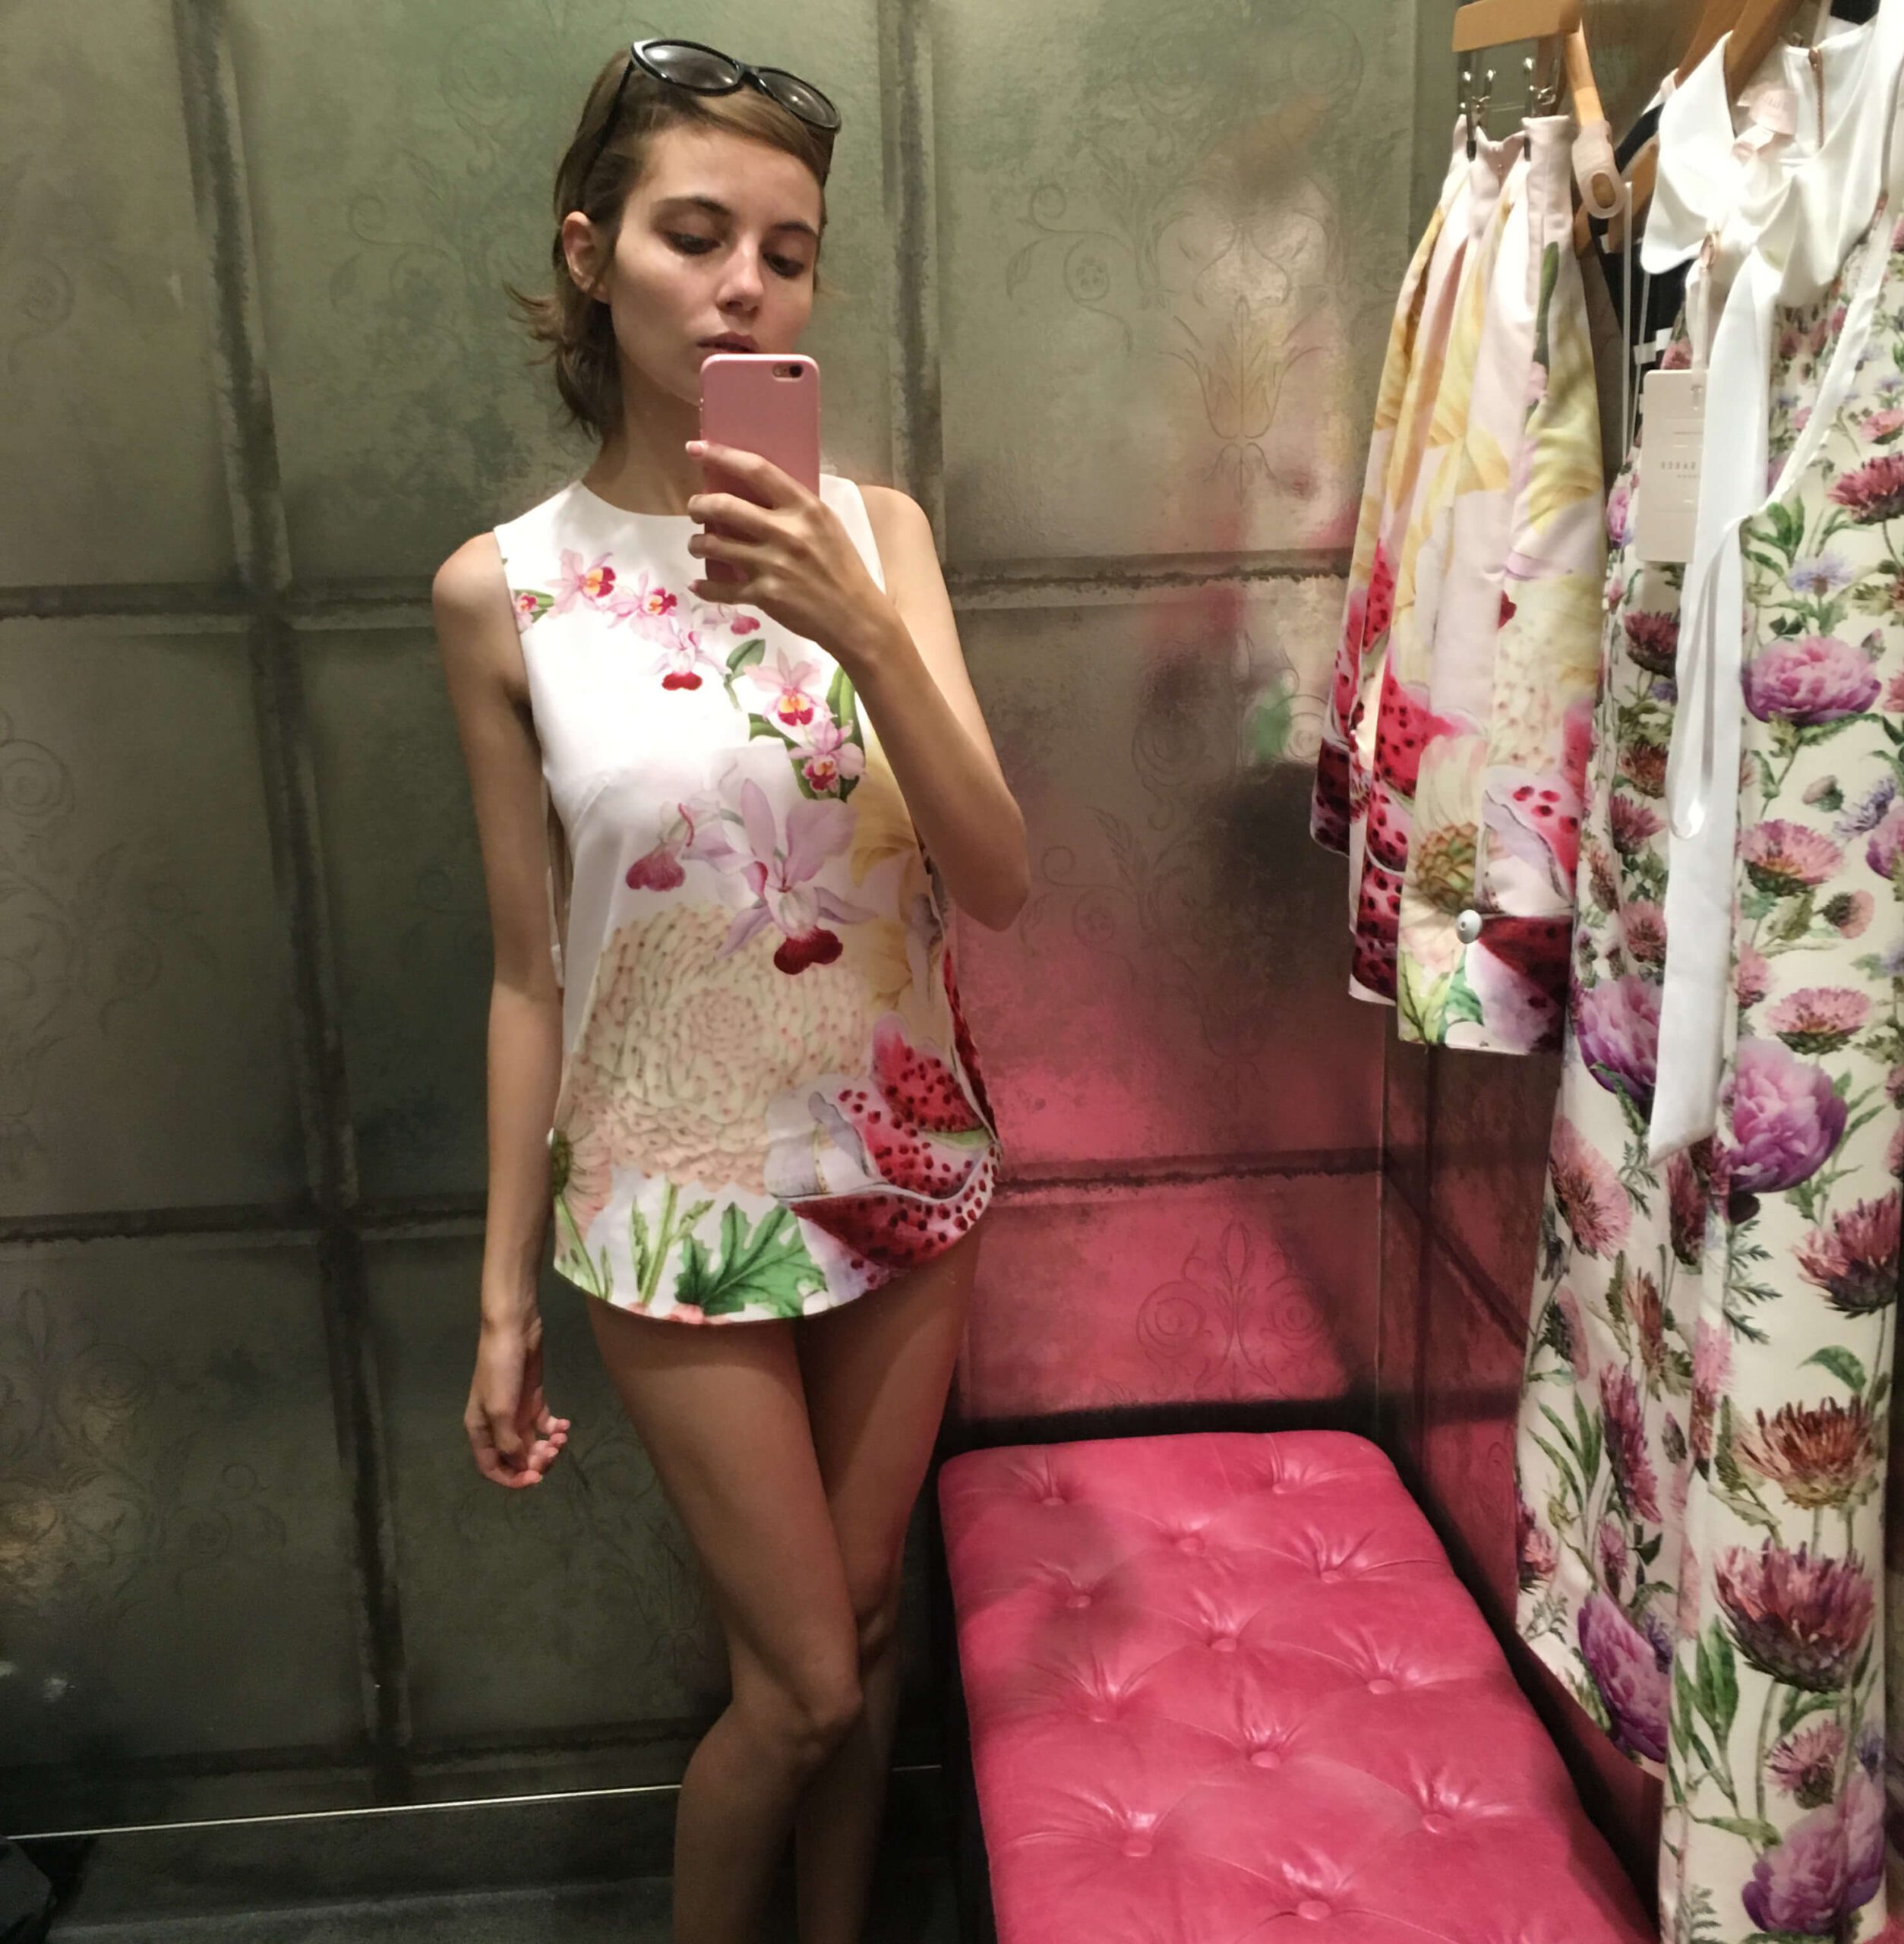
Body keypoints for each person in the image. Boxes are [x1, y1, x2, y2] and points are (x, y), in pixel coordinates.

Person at [431, 39, 1028, 1944]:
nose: (745, 284)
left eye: (787, 249)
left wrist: (857, 622)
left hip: (899, 1152)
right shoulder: (502, 592)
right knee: (803, 1687)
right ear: (590, 253)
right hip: (664, 1186)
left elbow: (999, 879)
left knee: (862, 1620)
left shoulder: (882, 535)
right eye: (694, 235)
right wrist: (502, 1295)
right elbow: (527, 966)